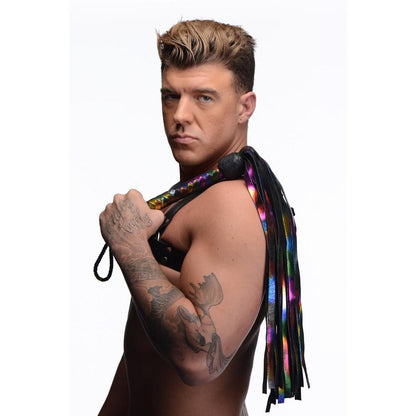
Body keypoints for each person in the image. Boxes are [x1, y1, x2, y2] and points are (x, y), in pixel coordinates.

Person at [97, 19, 307, 416]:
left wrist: (129, 245)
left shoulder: (231, 205)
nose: (180, 114)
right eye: (170, 96)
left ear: (245, 106)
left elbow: (199, 360)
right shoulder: (195, 195)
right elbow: (144, 357)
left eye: (204, 98)